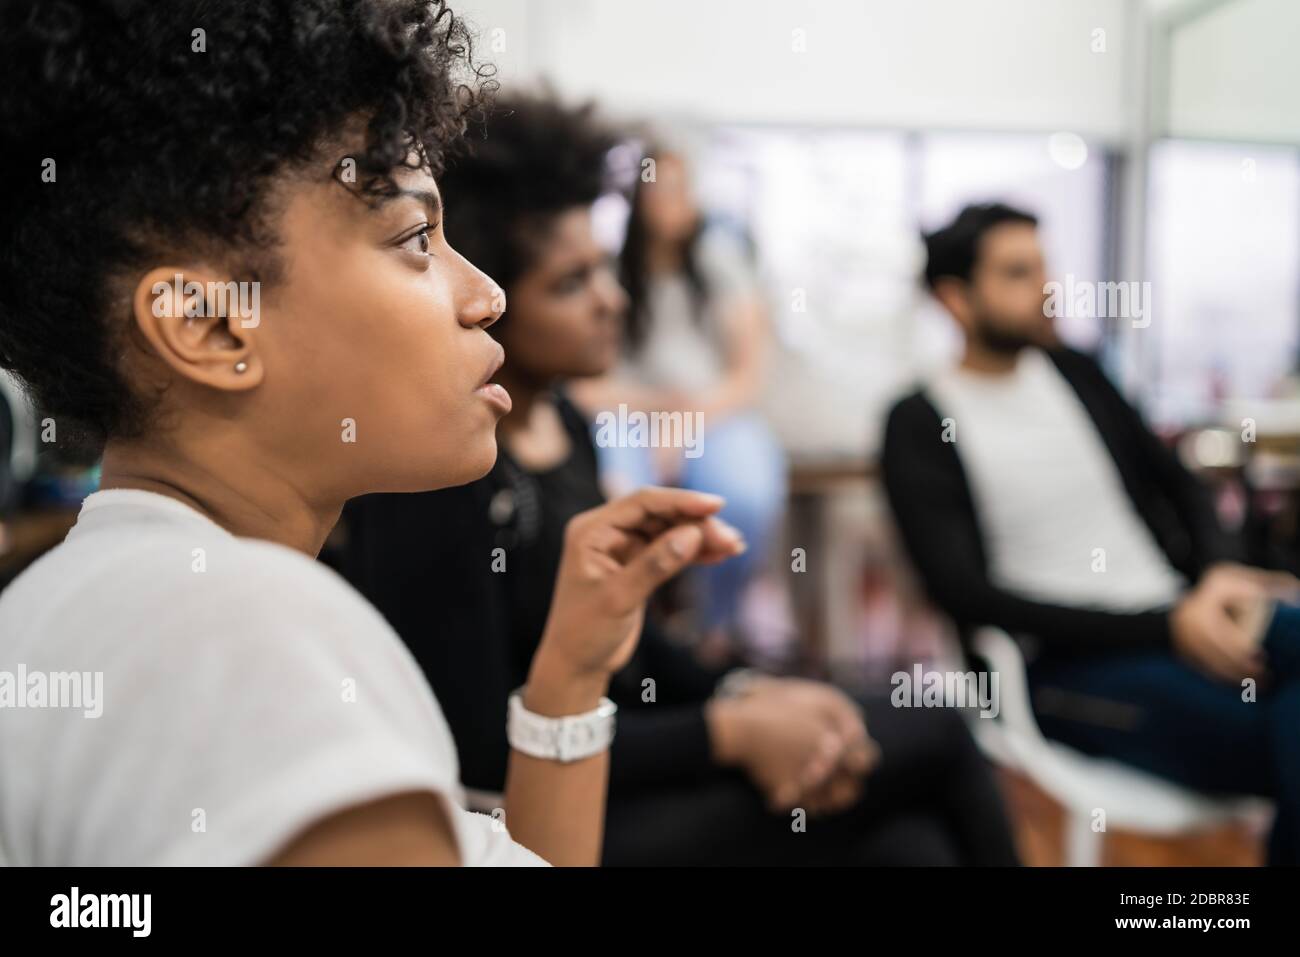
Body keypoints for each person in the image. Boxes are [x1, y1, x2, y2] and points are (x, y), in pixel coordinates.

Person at [0, 0, 744, 867]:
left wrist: (570, 679)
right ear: (210, 327)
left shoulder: (72, 605)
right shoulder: (246, 637)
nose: (486, 296)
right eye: (416, 237)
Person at [343, 95, 1021, 866]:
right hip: (531, 818)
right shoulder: (440, 476)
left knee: (909, 847)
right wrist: (729, 735)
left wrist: (746, 694)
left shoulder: (566, 424)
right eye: (571, 284)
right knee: (936, 734)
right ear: (493, 301)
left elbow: (636, 652)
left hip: (627, 758)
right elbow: (479, 749)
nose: (612, 300)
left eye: (602, 269)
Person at [882, 201, 1300, 864]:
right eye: (1018, 272)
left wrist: (1216, 573)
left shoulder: (1075, 371)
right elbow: (967, 595)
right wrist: (1165, 626)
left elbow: (1181, 482)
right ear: (956, 299)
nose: (1047, 287)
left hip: (1185, 608)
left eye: (1044, 266)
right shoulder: (919, 422)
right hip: (1070, 664)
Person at [571, 147, 786, 650]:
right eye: (657, 190)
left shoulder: (722, 264)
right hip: (627, 413)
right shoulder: (608, 270)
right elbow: (583, 386)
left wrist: (683, 424)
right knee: (616, 493)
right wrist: (651, 410)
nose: (670, 203)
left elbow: (747, 376)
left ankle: (714, 630)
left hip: (716, 413)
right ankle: (635, 633)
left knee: (744, 495)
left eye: (679, 190)